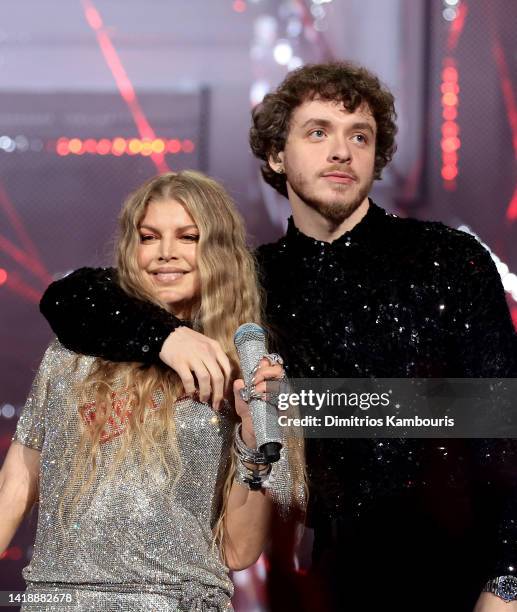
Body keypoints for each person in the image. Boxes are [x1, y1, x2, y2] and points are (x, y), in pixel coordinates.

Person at [38, 62, 517, 611]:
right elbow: (72, 297)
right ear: (276, 155)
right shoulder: (250, 282)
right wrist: (168, 337)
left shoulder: (448, 260)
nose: (342, 151)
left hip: (458, 576)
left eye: (359, 136)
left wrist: (507, 581)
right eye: (318, 132)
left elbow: (504, 432)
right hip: (316, 582)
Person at [0, 171, 306, 611]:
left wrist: (253, 444)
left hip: (175, 600)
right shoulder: (74, 352)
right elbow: (18, 478)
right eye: (149, 237)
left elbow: (239, 551)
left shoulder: (251, 375)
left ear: (218, 252)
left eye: (187, 237)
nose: (166, 254)